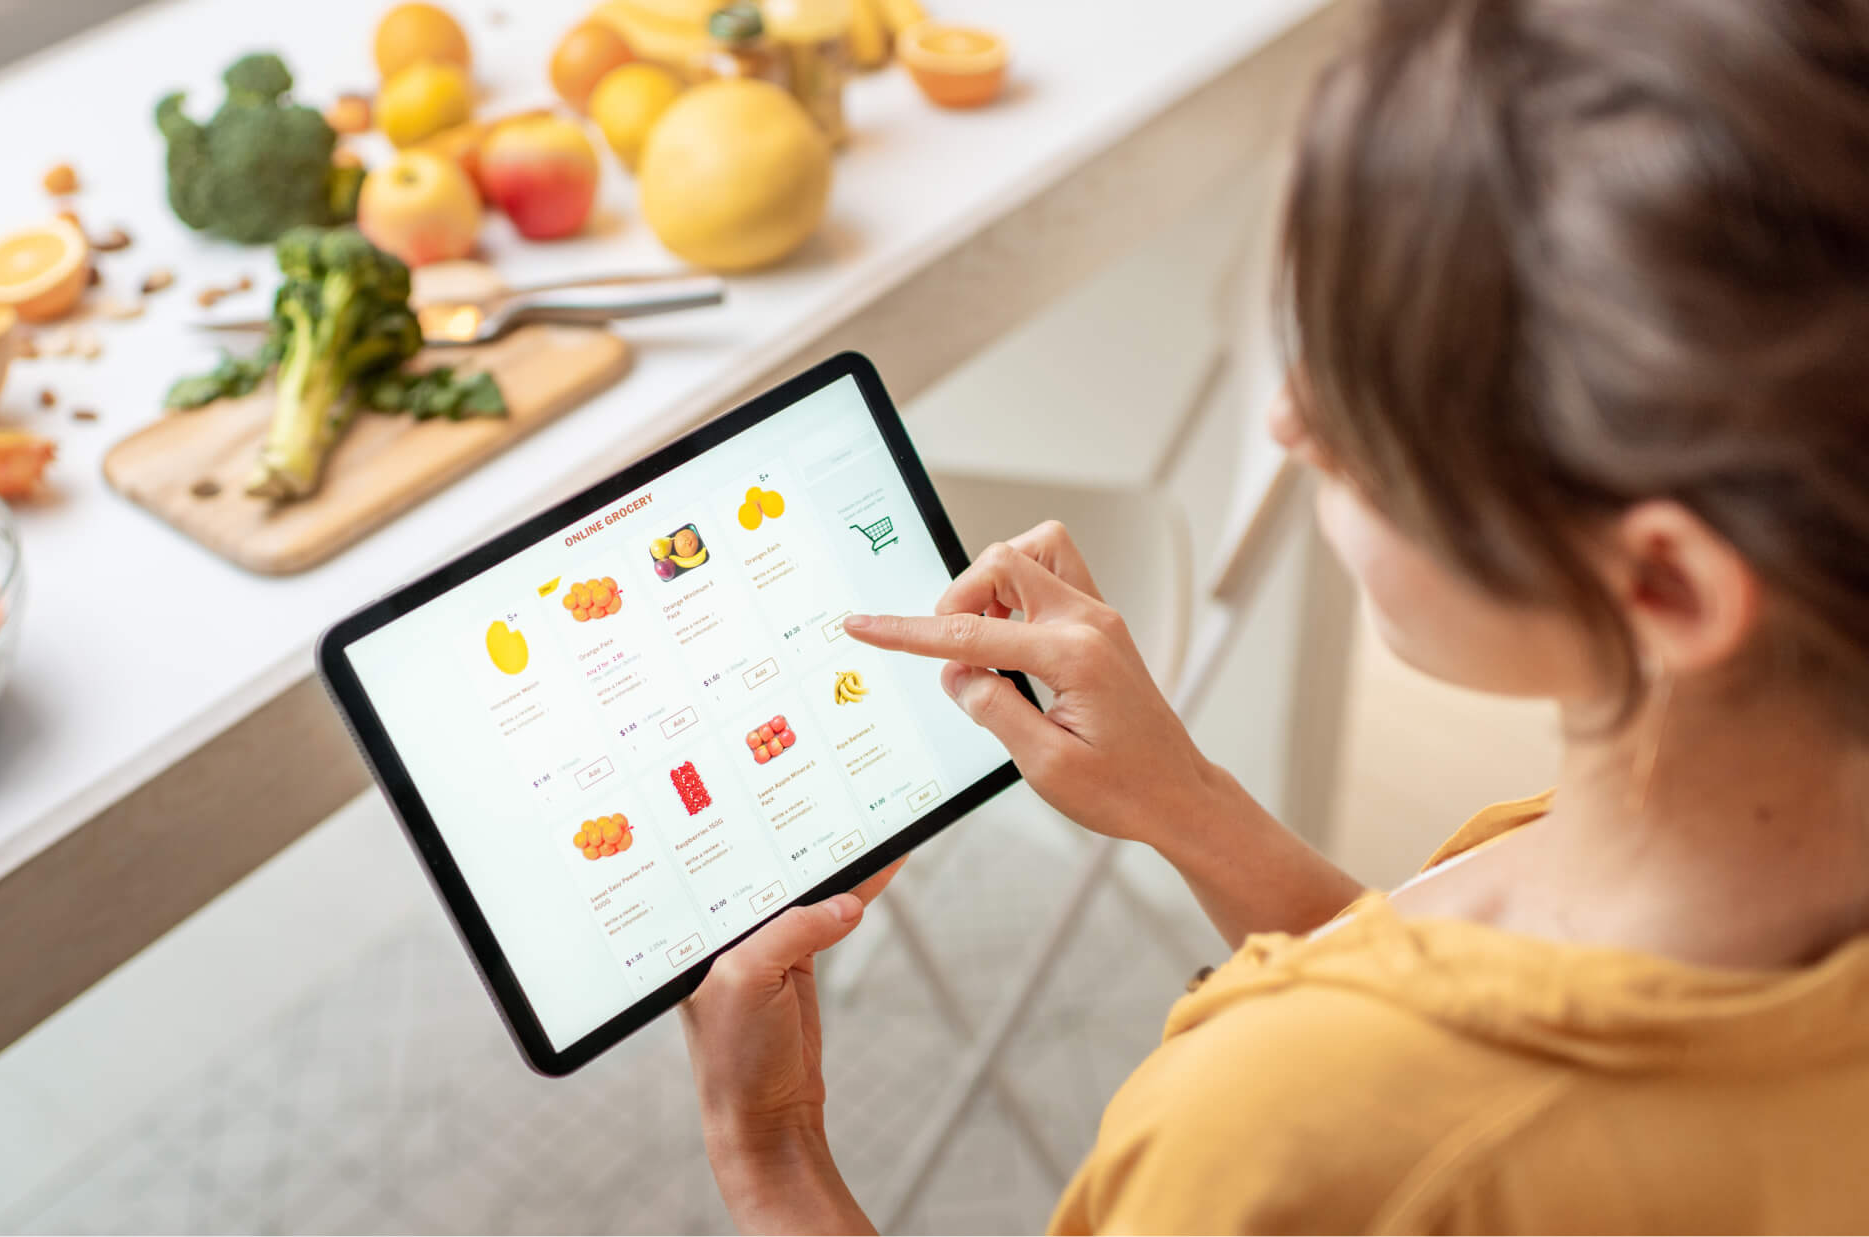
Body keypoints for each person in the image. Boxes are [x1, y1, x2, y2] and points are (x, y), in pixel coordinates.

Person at [678, 0, 1869, 1230]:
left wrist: (769, 1150)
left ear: (1666, 586)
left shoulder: (1271, 1135)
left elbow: (1412, 1105)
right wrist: (1185, 801)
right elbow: (1467, 1009)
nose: (1292, 423)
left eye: (1366, 384)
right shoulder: (1750, 852)